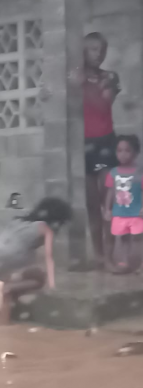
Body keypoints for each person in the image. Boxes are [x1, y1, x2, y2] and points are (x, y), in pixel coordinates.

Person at [0, 197, 73, 325]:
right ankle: (6, 287)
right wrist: (52, 285)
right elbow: (48, 257)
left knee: (9, 291)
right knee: (39, 279)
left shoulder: (17, 221)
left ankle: (1, 322)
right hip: (13, 256)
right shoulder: (45, 228)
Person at [82, 32, 121, 267]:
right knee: (91, 203)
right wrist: (46, 94)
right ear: (84, 52)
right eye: (94, 49)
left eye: (102, 49)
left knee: (109, 202)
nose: (99, 54)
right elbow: (53, 94)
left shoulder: (110, 77)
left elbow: (103, 103)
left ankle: (109, 254)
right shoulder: (74, 76)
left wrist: (83, 85)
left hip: (105, 142)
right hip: (84, 143)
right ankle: (98, 255)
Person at [104, 135, 143, 274]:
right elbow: (111, 191)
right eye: (119, 151)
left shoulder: (139, 173)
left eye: (127, 150)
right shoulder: (113, 173)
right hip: (119, 213)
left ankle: (138, 263)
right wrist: (108, 209)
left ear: (136, 153)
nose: (123, 154)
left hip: (136, 212)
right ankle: (124, 261)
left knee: (138, 238)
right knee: (124, 238)